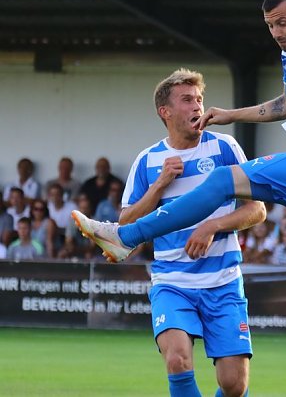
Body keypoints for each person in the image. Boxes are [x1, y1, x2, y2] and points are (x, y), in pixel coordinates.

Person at [73, 0, 286, 397]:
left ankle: (126, 237)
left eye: (283, 22)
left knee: (223, 180)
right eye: (269, 25)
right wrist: (233, 114)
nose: (277, 32)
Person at [94, 69, 268, 396]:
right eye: (187, 100)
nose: (197, 107)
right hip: (173, 282)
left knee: (233, 385)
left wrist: (212, 225)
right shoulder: (148, 161)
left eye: (199, 99)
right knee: (177, 360)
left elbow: (257, 209)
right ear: (166, 111)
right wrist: (159, 185)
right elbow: (126, 222)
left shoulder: (225, 147)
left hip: (223, 281)